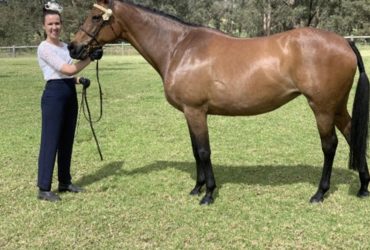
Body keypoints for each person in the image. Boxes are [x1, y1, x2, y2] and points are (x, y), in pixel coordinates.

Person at [37, 1, 102, 202]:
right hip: (54, 96)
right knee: (51, 141)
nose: (54, 27)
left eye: (57, 23)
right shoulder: (44, 47)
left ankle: (65, 181)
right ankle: (44, 187)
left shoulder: (65, 46)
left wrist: (79, 80)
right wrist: (91, 58)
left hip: (68, 92)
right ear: (44, 26)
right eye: (50, 24)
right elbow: (67, 70)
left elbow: (69, 75)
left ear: (61, 24)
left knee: (66, 140)